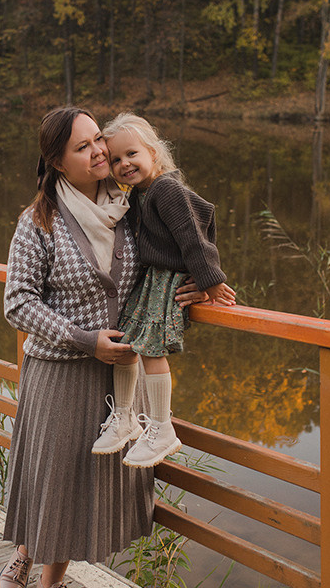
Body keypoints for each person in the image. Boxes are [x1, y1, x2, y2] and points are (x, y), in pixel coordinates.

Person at [0, 107, 207, 588]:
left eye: (99, 142)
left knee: (84, 479)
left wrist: (200, 282)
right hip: (60, 370)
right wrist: (85, 340)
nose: (98, 154)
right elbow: (17, 302)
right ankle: (27, 554)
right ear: (57, 162)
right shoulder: (38, 222)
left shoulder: (134, 210)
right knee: (51, 472)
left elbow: (180, 246)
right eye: (84, 148)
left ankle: (51, 582)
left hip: (120, 375)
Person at [92, 112, 236, 468]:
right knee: (126, 342)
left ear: (153, 154)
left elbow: (193, 234)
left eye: (132, 154)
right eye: (116, 160)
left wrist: (209, 281)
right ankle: (124, 416)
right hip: (149, 280)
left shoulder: (166, 189)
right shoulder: (140, 194)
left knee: (152, 350)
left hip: (167, 281)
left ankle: (161, 427)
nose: (124, 164)